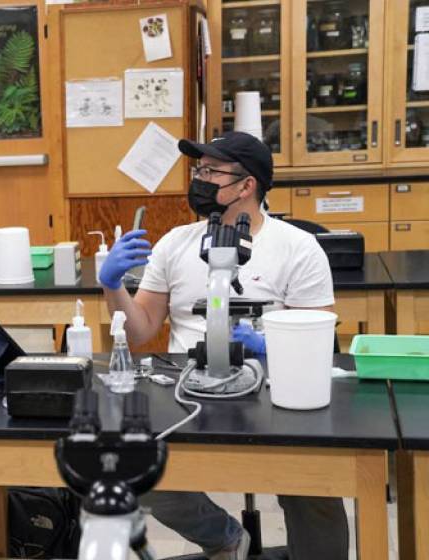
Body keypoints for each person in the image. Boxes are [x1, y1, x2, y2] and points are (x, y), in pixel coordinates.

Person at [98, 131, 347, 560]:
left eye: (211, 171)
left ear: (247, 185)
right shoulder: (176, 243)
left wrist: (266, 345)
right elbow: (139, 331)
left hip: (272, 393)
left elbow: (318, 338)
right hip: (187, 390)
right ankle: (225, 539)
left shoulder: (298, 248)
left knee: (316, 487)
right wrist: (112, 284)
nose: (200, 179)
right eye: (199, 169)